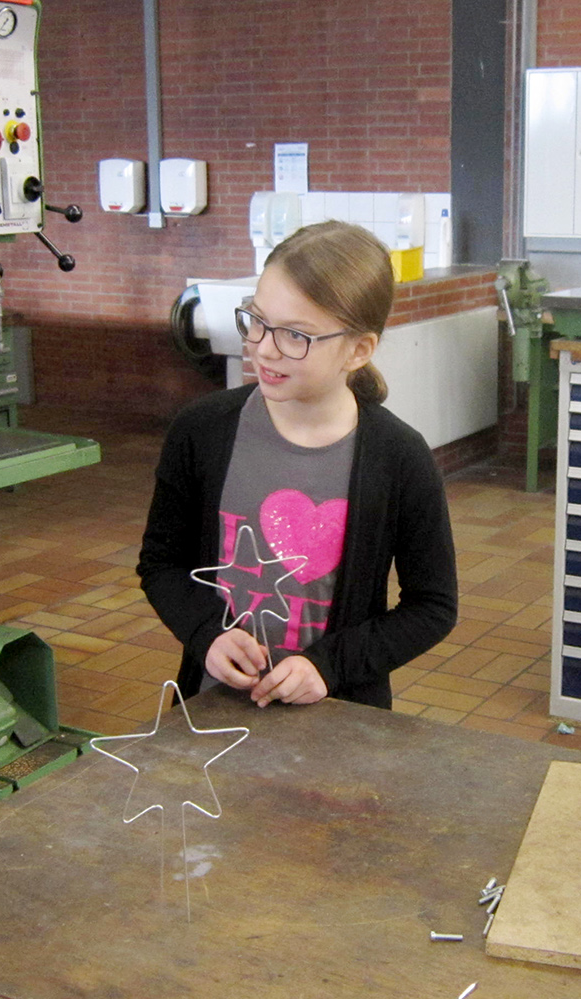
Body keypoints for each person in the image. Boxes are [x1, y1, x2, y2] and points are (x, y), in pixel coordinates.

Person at [138, 221, 457, 710]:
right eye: (258, 321)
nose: (265, 347)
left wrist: (327, 667)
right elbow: (162, 563)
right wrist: (207, 635)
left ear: (359, 349)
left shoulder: (399, 458)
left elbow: (432, 607)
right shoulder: (202, 431)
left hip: (339, 716)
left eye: (295, 335)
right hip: (213, 708)